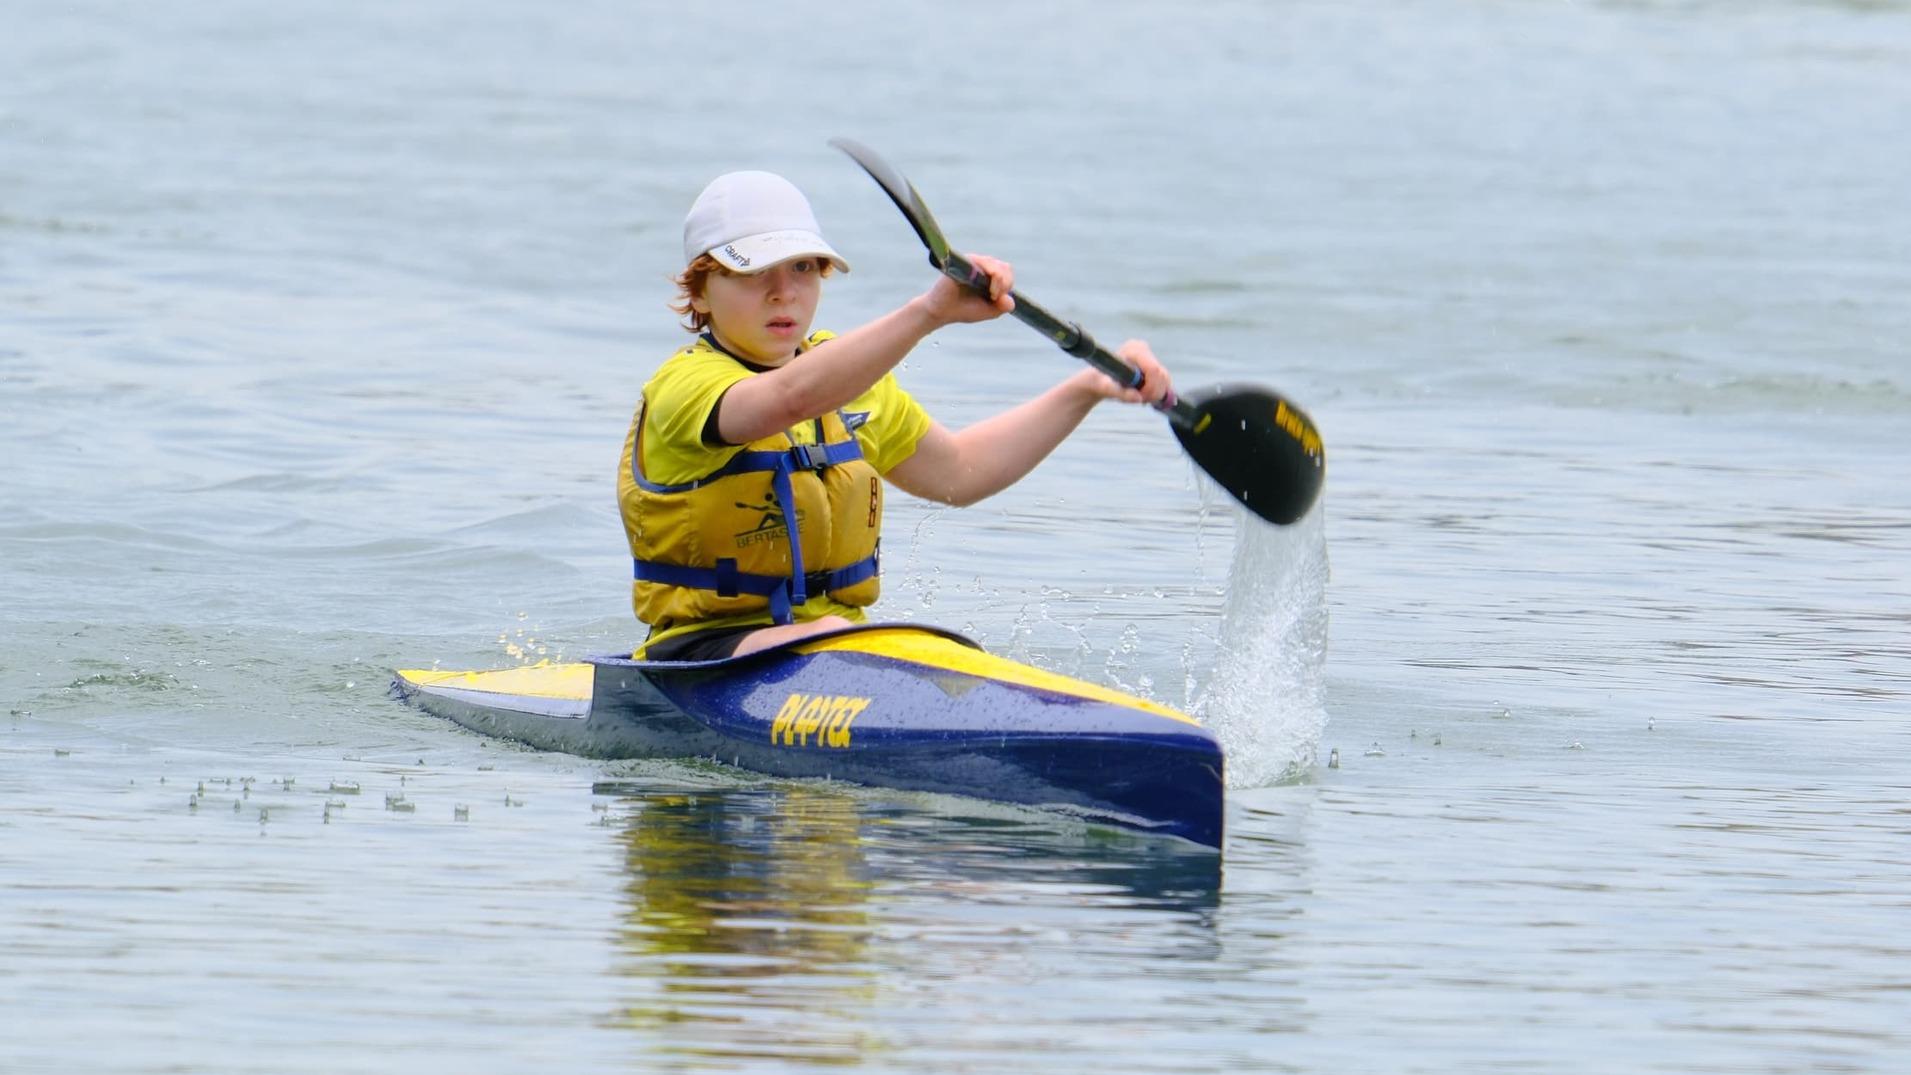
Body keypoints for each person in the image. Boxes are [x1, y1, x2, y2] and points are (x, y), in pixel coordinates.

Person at [618, 169, 1172, 661]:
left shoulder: (852, 383)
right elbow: (787, 399)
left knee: (935, 647)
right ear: (700, 293)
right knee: (837, 637)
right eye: (753, 272)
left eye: (803, 267)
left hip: (842, 644)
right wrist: (930, 312)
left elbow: (961, 473)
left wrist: (1086, 389)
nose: (783, 293)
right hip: (699, 655)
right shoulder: (682, 387)